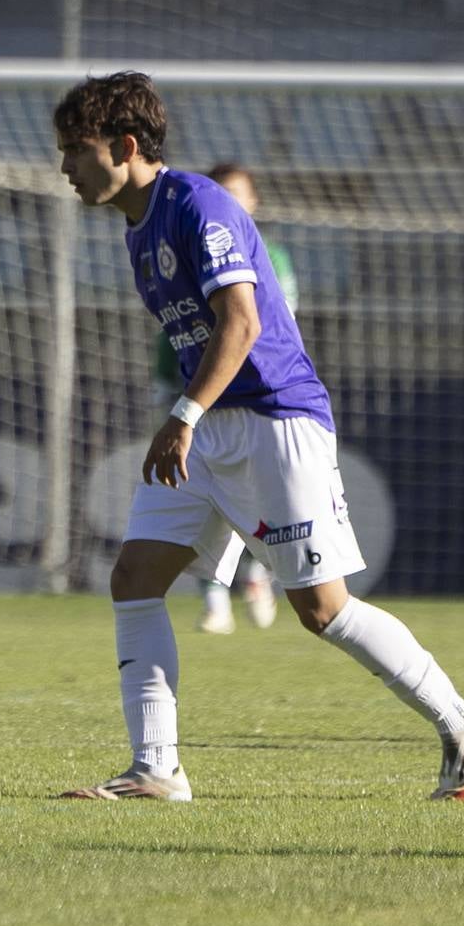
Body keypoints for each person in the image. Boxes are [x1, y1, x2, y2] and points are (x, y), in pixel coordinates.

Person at [50, 71, 464, 805]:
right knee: (134, 578)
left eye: (77, 149)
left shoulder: (198, 204)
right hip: (210, 428)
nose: (66, 166)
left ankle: (463, 722)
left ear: (126, 146)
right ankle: (156, 768)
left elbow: (243, 322)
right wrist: (193, 417)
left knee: (323, 611)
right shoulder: (139, 229)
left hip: (273, 420)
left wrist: (183, 415)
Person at [182, 163, 287, 635]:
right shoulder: (189, 251)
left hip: (255, 397)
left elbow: (271, 323)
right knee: (201, 498)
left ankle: (260, 575)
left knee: (261, 496)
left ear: (254, 201)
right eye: (220, 193)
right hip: (195, 394)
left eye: (237, 194)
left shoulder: (272, 256)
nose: (228, 203)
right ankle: (214, 601)